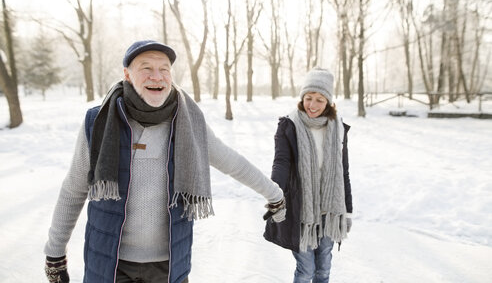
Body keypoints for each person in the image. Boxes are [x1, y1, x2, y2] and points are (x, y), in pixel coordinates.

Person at [44, 40, 285, 283]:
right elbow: (74, 189)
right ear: (127, 75)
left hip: (168, 267)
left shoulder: (189, 123)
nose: (156, 76)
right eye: (146, 68)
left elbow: (232, 162)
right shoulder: (100, 122)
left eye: (164, 69)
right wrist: (54, 253)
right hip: (110, 264)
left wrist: (274, 194)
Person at [263, 67, 353, 283]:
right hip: (301, 210)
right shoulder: (289, 125)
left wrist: (347, 211)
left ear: (329, 103)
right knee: (306, 270)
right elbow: (281, 163)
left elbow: (344, 170)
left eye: (319, 100)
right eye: (308, 98)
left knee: (323, 268)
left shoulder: (338, 128)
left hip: (330, 211)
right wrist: (275, 193)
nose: (312, 105)